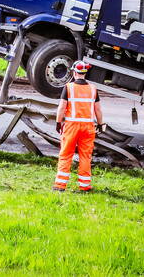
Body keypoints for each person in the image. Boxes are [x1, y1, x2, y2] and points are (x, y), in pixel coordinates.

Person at [53, 60, 104, 192]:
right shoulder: (93, 89)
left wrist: (58, 122)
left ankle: (60, 186)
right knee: (85, 156)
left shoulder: (68, 88)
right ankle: (85, 186)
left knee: (66, 154)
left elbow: (62, 107)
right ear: (84, 73)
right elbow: (98, 110)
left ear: (75, 73)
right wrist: (100, 124)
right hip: (88, 127)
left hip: (71, 126)